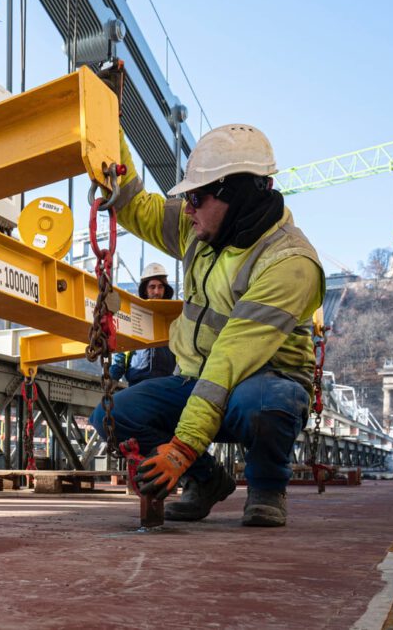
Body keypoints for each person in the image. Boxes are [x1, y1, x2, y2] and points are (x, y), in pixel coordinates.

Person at [91, 124, 323, 526]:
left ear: (238, 195)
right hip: (197, 379)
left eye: (197, 196)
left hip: (264, 381)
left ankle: (267, 488)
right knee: (113, 416)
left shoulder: (289, 263)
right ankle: (208, 480)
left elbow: (230, 362)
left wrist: (180, 449)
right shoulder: (197, 228)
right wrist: (106, 121)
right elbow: (133, 206)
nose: (188, 208)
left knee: (264, 405)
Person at [109, 262, 177, 386]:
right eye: (152, 287)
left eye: (160, 287)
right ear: (145, 290)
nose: (157, 291)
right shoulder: (134, 314)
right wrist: (114, 376)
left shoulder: (173, 318)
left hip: (165, 382)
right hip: (137, 381)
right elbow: (122, 349)